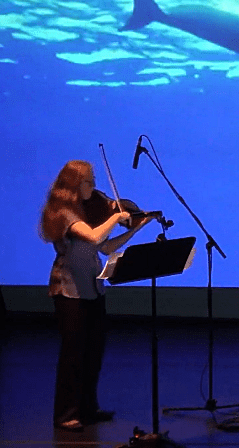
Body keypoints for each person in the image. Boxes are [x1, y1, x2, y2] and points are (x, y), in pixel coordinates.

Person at [39, 160, 156, 432]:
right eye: (89, 181)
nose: (94, 187)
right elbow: (92, 237)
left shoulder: (87, 211)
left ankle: (88, 408)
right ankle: (66, 414)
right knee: (73, 354)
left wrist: (137, 226)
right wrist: (115, 217)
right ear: (74, 185)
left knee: (93, 352)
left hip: (92, 287)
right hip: (69, 290)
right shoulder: (64, 213)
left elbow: (105, 247)